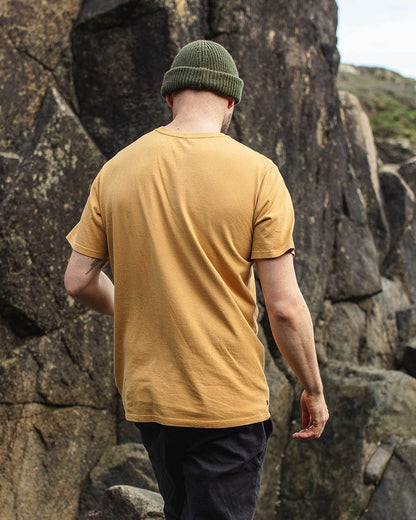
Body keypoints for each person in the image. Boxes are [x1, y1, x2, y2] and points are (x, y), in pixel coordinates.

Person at [64, 40, 329, 520]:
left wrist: (133, 304)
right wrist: (312, 386)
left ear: (171, 97)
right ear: (230, 101)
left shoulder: (116, 170)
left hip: (151, 400)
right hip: (225, 402)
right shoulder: (259, 175)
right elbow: (285, 307)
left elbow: (78, 280)